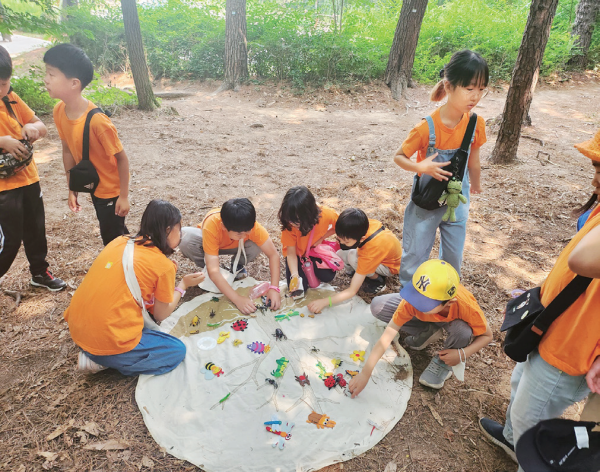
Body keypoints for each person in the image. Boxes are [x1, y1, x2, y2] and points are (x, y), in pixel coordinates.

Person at [479, 130, 600, 469]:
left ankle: (525, 454)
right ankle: (510, 438)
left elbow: (581, 261)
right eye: (595, 168)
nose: (594, 181)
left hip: (570, 350)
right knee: (521, 389)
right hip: (551, 325)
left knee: (535, 427)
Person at [64, 200, 205, 375]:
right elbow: (161, 314)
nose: (181, 234)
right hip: (106, 339)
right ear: (168, 230)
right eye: (179, 229)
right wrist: (182, 285)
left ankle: (100, 352)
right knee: (176, 350)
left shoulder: (121, 240)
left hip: (77, 326)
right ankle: (103, 360)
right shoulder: (163, 266)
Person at [394, 49, 488, 290]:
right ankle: (408, 294)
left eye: (481, 89)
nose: (475, 96)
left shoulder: (476, 123)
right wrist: (419, 166)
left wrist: (475, 184)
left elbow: (473, 160)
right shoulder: (426, 127)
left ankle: (446, 292)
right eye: (469, 88)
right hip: (427, 201)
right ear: (448, 86)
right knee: (416, 251)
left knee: (454, 253)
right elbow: (399, 157)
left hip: (457, 199)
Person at [349, 259, 492, 393]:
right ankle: (427, 331)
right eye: (415, 296)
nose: (415, 304)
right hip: (429, 317)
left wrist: (461, 354)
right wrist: (365, 373)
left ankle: (443, 364)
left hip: (452, 323)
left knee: (463, 332)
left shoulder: (465, 306)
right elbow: (387, 336)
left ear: (449, 302)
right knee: (379, 305)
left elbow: (487, 335)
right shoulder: (411, 302)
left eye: (424, 303)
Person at [43, 43, 130, 246]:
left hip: (109, 190)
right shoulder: (59, 111)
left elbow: (122, 159)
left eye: (51, 74)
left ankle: (129, 270)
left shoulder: (99, 122)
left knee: (113, 239)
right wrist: (71, 188)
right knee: (115, 232)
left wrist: (124, 197)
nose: (46, 79)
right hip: (94, 183)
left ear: (74, 83)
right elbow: (67, 151)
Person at [0, 45, 66, 291]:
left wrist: (33, 129)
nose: (0, 90)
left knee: (36, 230)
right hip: (3, 187)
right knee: (9, 241)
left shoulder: (12, 100)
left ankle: (39, 273)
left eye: (4, 84)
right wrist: (3, 141)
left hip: (28, 178)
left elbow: (40, 124)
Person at [179, 198, 282, 315]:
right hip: (209, 247)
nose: (245, 235)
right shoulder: (212, 225)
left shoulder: (251, 227)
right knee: (185, 239)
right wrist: (237, 299)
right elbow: (214, 272)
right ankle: (206, 266)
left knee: (257, 244)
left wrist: (274, 288)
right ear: (223, 226)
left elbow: (273, 254)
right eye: (239, 233)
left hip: (238, 247)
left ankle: (238, 266)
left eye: (248, 231)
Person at [307, 208, 401, 313]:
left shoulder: (369, 252)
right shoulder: (361, 224)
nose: (341, 243)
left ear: (361, 239)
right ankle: (358, 273)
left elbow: (352, 291)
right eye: (339, 239)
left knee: (352, 256)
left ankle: (377, 281)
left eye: (346, 241)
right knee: (341, 254)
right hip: (381, 255)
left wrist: (324, 302)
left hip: (390, 266)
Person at [278, 186, 338, 296]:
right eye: (289, 220)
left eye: (296, 222)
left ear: (309, 215)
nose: (292, 224)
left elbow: (338, 227)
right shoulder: (289, 226)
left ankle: (310, 270)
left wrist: (321, 238)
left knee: (328, 276)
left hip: (313, 251)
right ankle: (302, 273)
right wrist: (295, 275)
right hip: (297, 255)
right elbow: (291, 254)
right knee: (298, 291)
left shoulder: (326, 214)